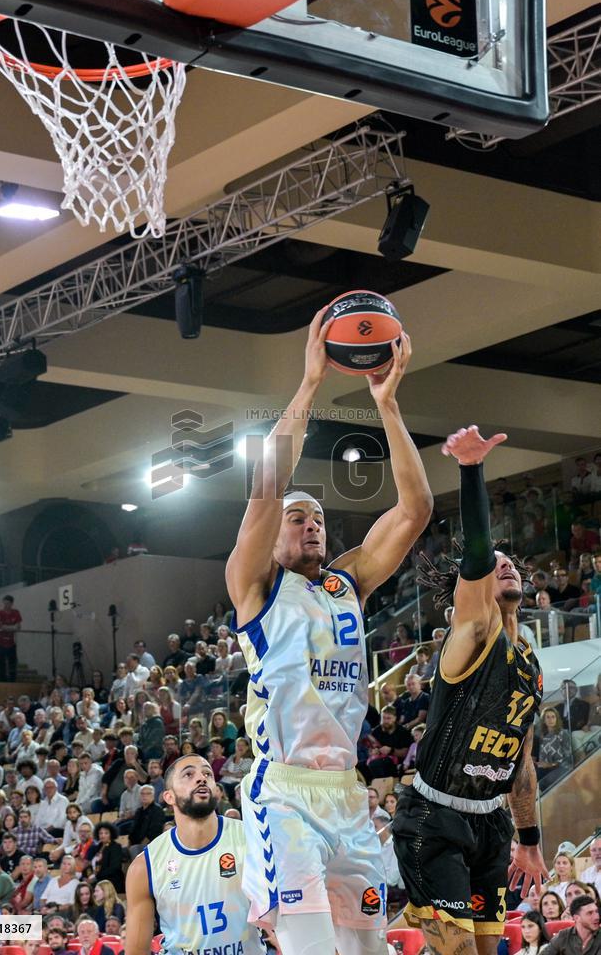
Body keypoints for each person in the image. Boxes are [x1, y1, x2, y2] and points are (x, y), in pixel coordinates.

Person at [225, 312, 432, 955]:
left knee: (368, 948)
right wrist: (311, 384)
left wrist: (387, 405)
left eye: (317, 517)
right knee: (311, 946)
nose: (310, 524)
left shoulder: (348, 583)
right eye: (297, 518)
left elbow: (416, 510)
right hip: (284, 791)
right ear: (273, 535)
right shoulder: (254, 586)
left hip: (347, 789)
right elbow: (265, 487)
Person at [393, 425, 547, 955]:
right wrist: (472, 469)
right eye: (495, 563)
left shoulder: (530, 667)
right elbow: (479, 552)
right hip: (433, 821)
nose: (505, 565)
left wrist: (529, 841)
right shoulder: (473, 635)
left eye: (512, 562)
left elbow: (520, 766)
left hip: (491, 823)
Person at [125, 753, 265, 955]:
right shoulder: (145, 866)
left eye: (207, 774)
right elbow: (136, 951)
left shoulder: (252, 838)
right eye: (189, 774)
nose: (201, 778)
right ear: (169, 797)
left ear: (216, 790)